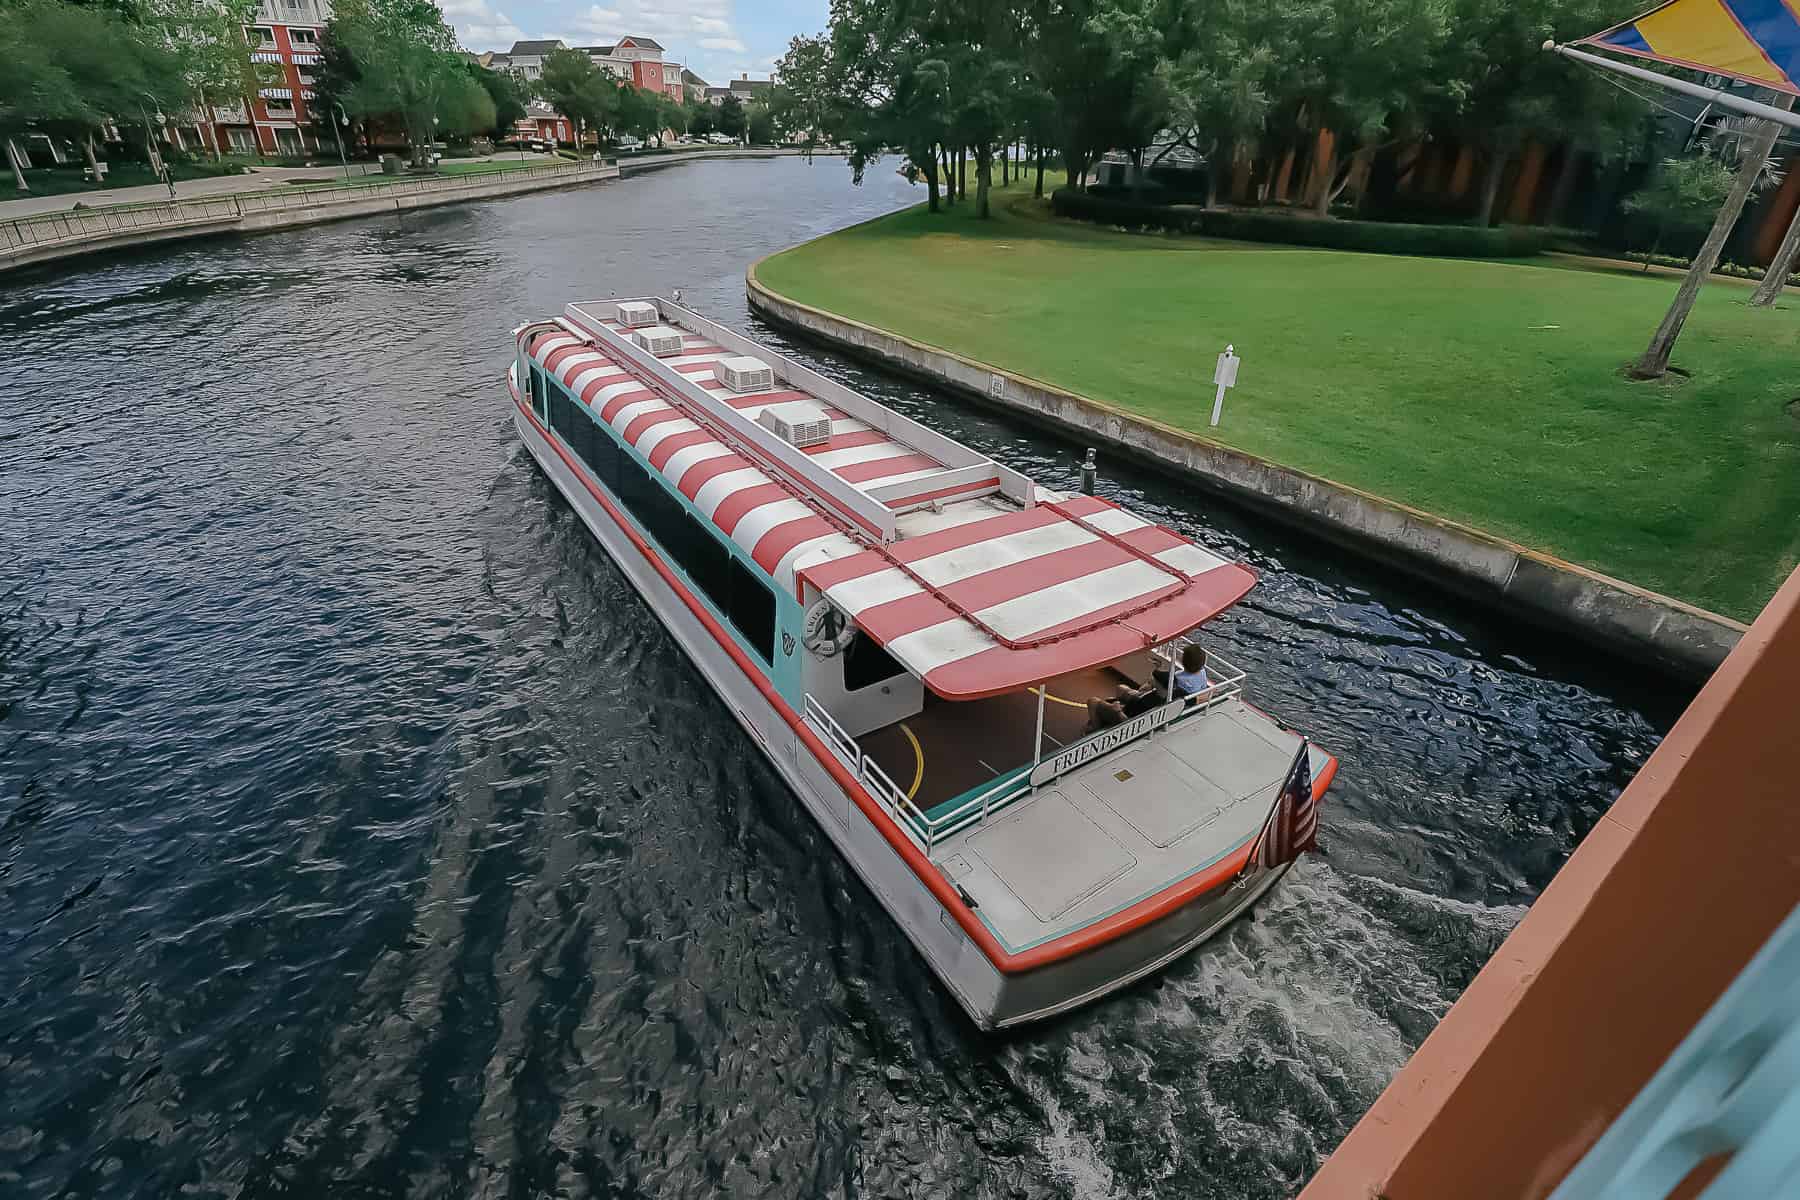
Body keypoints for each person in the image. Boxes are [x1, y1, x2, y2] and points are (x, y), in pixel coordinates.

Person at [1119, 644, 1211, 716]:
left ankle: (1120, 705)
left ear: (1183, 661)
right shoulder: (1202, 672)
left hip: (1164, 703)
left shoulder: (1176, 679)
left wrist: (1153, 676)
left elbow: (1145, 688)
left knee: (1121, 688)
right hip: (1182, 705)